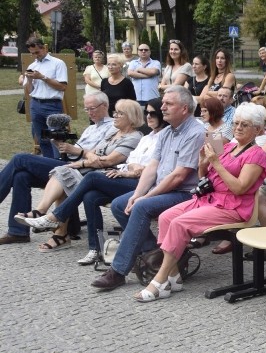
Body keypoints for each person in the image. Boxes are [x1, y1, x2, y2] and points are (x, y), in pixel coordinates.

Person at [134, 103, 266, 301]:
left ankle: (159, 281)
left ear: (257, 129)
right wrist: (203, 162)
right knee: (166, 217)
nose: (238, 128)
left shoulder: (257, 154)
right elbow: (203, 176)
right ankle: (174, 275)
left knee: (180, 224)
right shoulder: (229, 146)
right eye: (237, 123)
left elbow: (240, 188)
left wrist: (215, 162)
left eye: (245, 125)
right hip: (209, 198)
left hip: (234, 206)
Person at [21, 100, 167, 265]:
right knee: (90, 196)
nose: (149, 116)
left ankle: (55, 216)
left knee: (87, 177)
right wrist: (131, 168)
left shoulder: (148, 137)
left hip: (141, 182)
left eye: (153, 113)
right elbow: (129, 160)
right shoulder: (146, 138)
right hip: (121, 175)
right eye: (147, 113)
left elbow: (114, 162)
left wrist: (132, 170)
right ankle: (95, 249)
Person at [90, 86, 207, 291]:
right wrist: (137, 194)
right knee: (120, 204)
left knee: (141, 207)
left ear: (185, 108)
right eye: (163, 103)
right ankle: (160, 253)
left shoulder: (195, 133)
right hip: (165, 189)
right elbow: (152, 168)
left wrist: (145, 197)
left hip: (185, 194)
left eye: (168, 103)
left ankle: (117, 271)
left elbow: (179, 176)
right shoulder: (165, 133)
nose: (162, 107)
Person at [0, 92, 115, 245]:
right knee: (21, 176)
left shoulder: (113, 127)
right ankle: (18, 232)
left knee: (20, 159)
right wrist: (60, 145)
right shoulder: (90, 129)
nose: (89, 112)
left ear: (105, 106)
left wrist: (76, 151)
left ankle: (43, 218)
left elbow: (98, 156)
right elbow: (73, 155)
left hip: (84, 170)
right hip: (70, 166)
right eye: (86, 109)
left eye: (92, 108)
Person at [21, 36, 68, 158]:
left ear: (44, 48)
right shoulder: (32, 65)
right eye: (32, 53)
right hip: (36, 104)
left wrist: (43, 77)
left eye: (37, 52)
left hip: (52, 104)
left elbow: (62, 87)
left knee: (56, 139)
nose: (36, 55)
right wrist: (30, 80)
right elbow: (29, 91)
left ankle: (58, 164)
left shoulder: (58, 63)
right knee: (41, 139)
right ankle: (47, 164)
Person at [127, 44, 160, 108]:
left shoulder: (156, 63)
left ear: (150, 52)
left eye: (146, 50)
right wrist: (148, 75)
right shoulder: (133, 63)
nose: (143, 51)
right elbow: (130, 73)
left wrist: (138, 69)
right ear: (138, 52)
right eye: (141, 50)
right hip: (136, 98)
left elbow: (153, 72)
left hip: (152, 98)